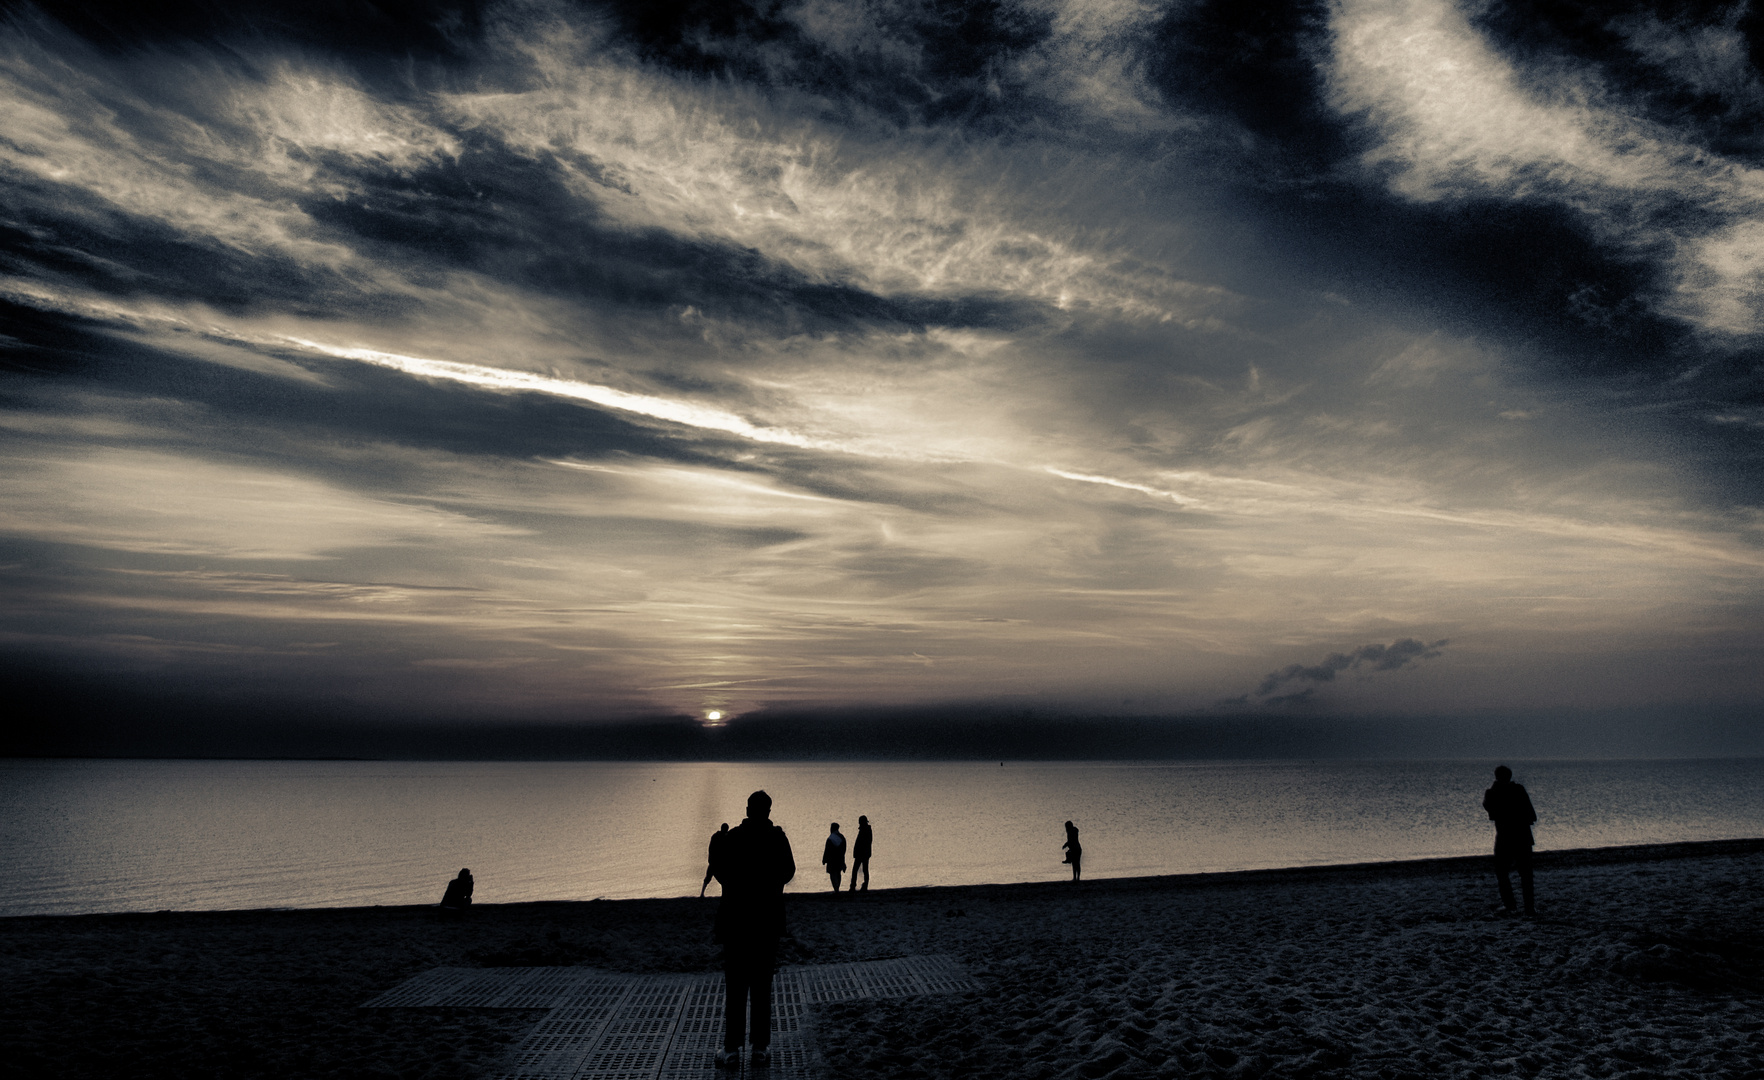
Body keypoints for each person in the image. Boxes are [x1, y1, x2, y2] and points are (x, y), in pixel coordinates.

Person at [709, 791, 795, 1070]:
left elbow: (720, 872)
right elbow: (788, 871)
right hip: (766, 922)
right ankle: (760, 1048)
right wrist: (769, 887)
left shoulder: (733, 838)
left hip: (736, 922)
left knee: (735, 988)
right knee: (761, 987)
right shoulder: (778, 838)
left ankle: (732, 1049)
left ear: (747, 809)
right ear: (768, 811)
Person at [1482, 765, 1537, 915]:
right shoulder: (1518, 790)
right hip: (1522, 837)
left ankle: (1511, 905)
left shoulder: (1493, 793)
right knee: (1525, 874)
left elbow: (1489, 809)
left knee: (1503, 872)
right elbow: (1532, 816)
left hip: (1505, 838)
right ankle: (1528, 907)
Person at [701, 823, 729, 897]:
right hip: (717, 862)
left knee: (709, 878)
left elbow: (710, 849)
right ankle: (702, 893)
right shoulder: (722, 837)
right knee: (723, 879)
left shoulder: (715, 836)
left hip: (714, 862)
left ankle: (702, 893)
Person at [848, 815, 872, 892]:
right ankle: (863, 885)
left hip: (862, 854)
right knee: (864, 870)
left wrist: (857, 853)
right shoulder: (866, 829)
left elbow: (864, 843)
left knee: (856, 870)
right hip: (864, 853)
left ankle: (854, 886)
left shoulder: (865, 830)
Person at [821, 822, 847, 892]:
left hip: (832, 860)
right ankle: (837, 887)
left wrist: (824, 859)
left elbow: (827, 850)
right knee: (838, 873)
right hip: (840, 859)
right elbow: (844, 849)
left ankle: (836, 888)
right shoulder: (842, 837)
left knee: (832, 874)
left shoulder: (830, 838)